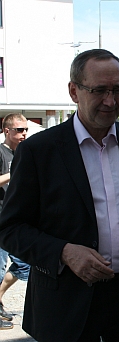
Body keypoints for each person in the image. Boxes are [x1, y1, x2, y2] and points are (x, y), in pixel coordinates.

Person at [0, 49, 119, 342]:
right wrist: (64, 252)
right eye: (99, 91)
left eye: (117, 90)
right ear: (74, 91)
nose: (110, 101)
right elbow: (10, 229)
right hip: (65, 307)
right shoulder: (39, 151)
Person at [0, 113, 30, 330]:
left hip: (15, 221)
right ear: (6, 131)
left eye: (25, 129)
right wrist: (13, 173)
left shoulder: (23, 153)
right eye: (19, 130)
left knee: (25, 264)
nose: (23, 134)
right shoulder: (1, 153)